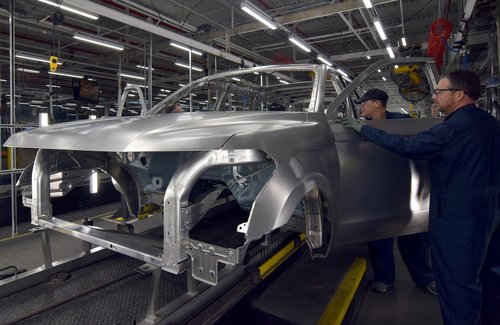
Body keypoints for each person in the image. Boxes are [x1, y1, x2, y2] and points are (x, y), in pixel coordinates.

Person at [342, 70, 500, 325]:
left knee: (456, 282)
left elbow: (409, 147)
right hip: (491, 210)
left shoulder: (452, 128)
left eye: (439, 91)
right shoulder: (490, 122)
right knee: (487, 275)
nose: (434, 96)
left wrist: (364, 129)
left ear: (459, 95)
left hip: (458, 215)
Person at [354, 89, 436, 295]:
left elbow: (413, 149)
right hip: (376, 187)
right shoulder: (360, 126)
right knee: (379, 236)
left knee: (413, 235)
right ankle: (384, 278)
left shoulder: (403, 123)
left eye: (364, 103)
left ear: (378, 103)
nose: (361, 107)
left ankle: (424, 277)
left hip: (404, 185)